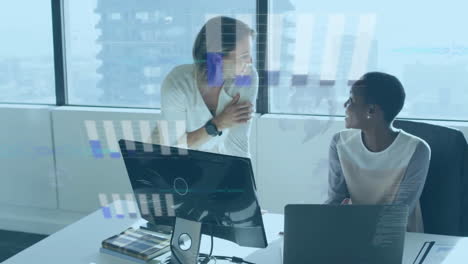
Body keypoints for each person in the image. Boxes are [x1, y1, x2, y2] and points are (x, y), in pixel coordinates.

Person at [325, 72, 431, 232]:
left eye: (352, 100)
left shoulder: (417, 150)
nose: (345, 105)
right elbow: (335, 201)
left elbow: (399, 213)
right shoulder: (340, 143)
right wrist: (311, 227)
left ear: (371, 110)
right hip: (354, 231)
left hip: (400, 237)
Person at [151, 16, 257, 158]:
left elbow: (238, 144)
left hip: (213, 164)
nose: (250, 62)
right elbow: (173, 150)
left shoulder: (247, 77)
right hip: (169, 163)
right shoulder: (177, 85)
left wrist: (243, 179)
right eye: (245, 56)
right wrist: (218, 124)